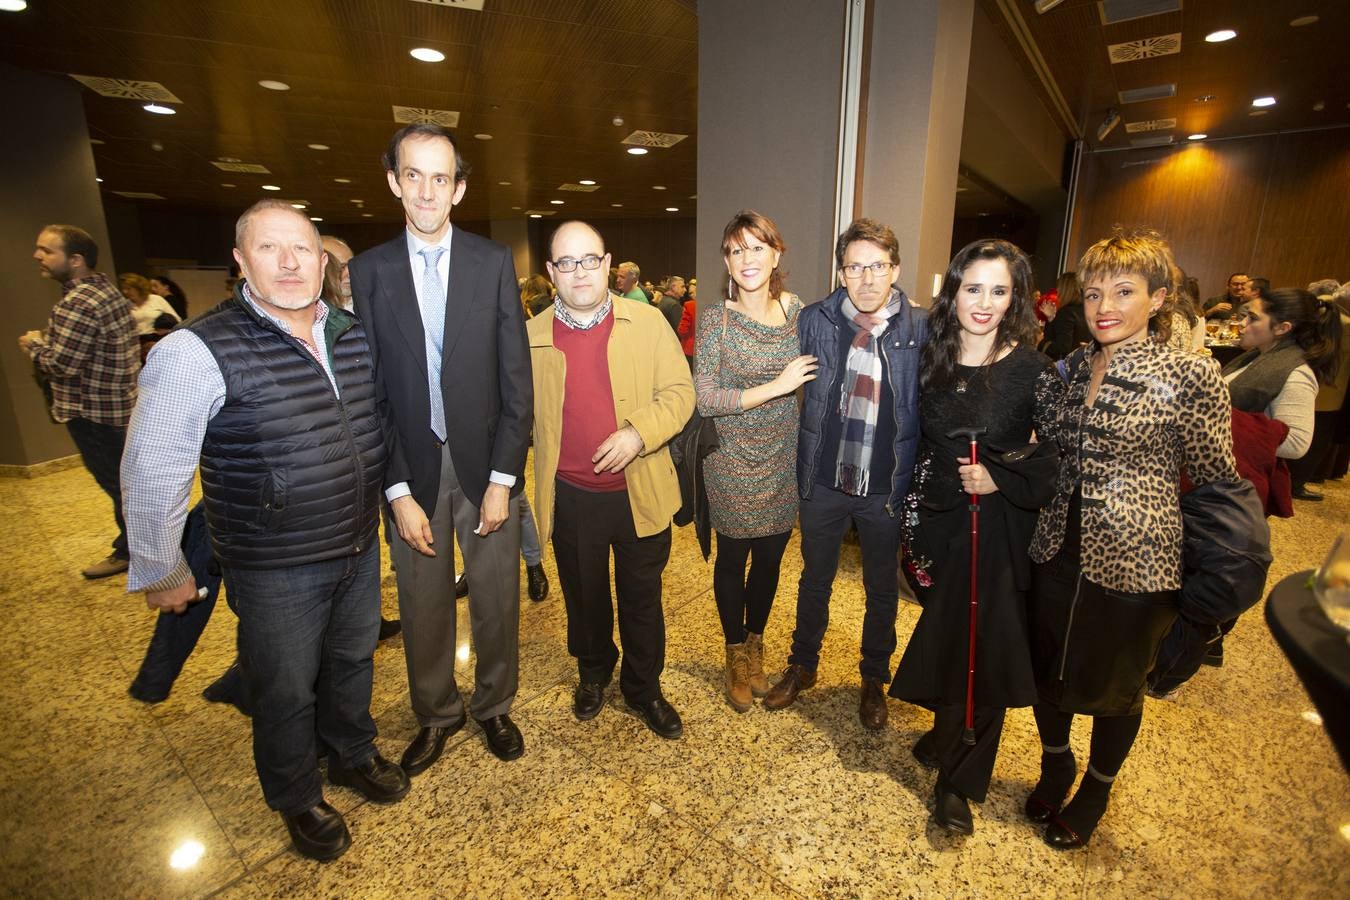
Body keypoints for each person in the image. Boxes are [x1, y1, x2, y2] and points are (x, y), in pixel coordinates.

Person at [121, 200, 408, 862]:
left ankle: (352, 754)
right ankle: (297, 796)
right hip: (275, 563)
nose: (288, 261)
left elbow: (375, 427)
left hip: (356, 545)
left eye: (302, 249)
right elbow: (153, 465)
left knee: (351, 660)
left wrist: (393, 498)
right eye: (270, 248)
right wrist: (163, 567)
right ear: (241, 260)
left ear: (322, 260)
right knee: (282, 685)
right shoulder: (196, 349)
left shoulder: (351, 332)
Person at [1027, 228, 1243, 850]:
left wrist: (1213, 590)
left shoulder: (1190, 375)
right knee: (1052, 673)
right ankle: (1055, 762)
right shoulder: (1066, 371)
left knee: (1116, 685)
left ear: (1161, 297)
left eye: (1124, 291)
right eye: (1093, 294)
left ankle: (1096, 787)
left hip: (1138, 559)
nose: (1105, 308)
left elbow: (1215, 483)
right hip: (1054, 546)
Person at [350, 124, 532, 769]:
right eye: (414, 175)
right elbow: (367, 395)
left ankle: (493, 704)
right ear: (395, 182)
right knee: (423, 603)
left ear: (458, 188)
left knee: (495, 596)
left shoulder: (491, 263)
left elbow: (516, 379)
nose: (427, 190)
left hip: (485, 463)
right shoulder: (368, 272)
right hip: (409, 465)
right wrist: (394, 489)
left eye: (441, 177)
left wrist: (505, 479)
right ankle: (435, 713)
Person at [891, 239, 1057, 835]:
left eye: (999, 290)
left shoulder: (1033, 370)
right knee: (947, 633)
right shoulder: (930, 356)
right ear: (953, 291)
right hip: (936, 522)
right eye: (973, 288)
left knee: (984, 650)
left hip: (998, 530)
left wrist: (1001, 476)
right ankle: (942, 731)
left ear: (1015, 299)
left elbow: (1061, 457)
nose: (984, 303)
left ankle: (959, 782)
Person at [528, 220, 694, 739]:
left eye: (589, 259)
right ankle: (594, 670)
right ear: (552, 272)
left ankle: (644, 688)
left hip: (640, 490)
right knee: (585, 596)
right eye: (567, 262)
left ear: (607, 264)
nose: (580, 271)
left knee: (642, 599)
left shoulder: (647, 323)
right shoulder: (529, 337)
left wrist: (638, 434)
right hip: (572, 496)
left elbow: (680, 394)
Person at [762, 218, 928, 731]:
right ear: (841, 272)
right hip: (824, 481)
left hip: (884, 484)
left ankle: (874, 679)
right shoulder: (814, 320)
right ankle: (803, 665)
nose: (867, 278)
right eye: (855, 267)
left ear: (895, 269)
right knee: (815, 579)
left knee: (882, 588)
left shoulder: (921, 328)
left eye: (877, 265)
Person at [695, 210, 814, 712]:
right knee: (732, 559)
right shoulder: (716, 320)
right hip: (730, 462)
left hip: (782, 460)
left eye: (757, 247)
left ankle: (756, 648)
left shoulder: (799, 313)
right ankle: (733, 658)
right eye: (737, 249)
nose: (748, 258)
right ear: (726, 259)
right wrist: (777, 387)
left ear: (776, 254)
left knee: (769, 562)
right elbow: (704, 396)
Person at [19, 225, 139, 579]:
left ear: (75, 261)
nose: (37, 256)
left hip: (93, 413)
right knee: (125, 484)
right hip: (117, 407)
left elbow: (62, 365)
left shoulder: (78, 303)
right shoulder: (108, 293)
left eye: (47, 250)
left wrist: (33, 344)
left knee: (119, 486)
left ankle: (136, 551)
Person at [1223, 287, 1341, 501]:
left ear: (1281, 328)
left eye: (1252, 318)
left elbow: (1296, 443)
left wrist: (1216, 423)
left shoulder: (1296, 374)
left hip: (1240, 485)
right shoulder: (1255, 357)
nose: (1242, 324)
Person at [1040, 271, 1089, 360]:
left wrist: (1040, 343)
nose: (1057, 291)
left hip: (1067, 367)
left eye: (1059, 287)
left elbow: (1061, 348)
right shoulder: (1088, 311)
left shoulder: (1066, 312)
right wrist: (1051, 319)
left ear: (1064, 289)